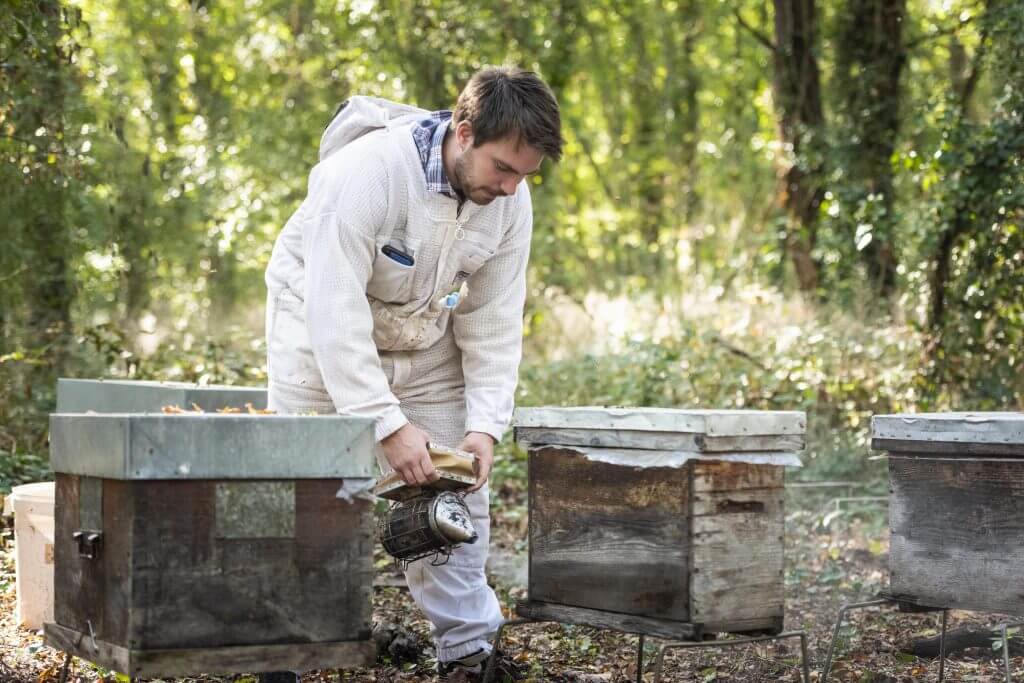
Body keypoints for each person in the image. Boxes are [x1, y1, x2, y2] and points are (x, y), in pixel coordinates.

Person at [262, 66, 562, 680]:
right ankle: (281, 657)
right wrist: (385, 425)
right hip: (316, 333)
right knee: (304, 498)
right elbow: (334, 309)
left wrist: (484, 427)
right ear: (464, 130)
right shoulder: (368, 175)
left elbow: (495, 319)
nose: (511, 187)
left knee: (454, 492)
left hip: (423, 341)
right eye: (503, 168)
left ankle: (469, 654)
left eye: (524, 175)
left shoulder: (510, 203)